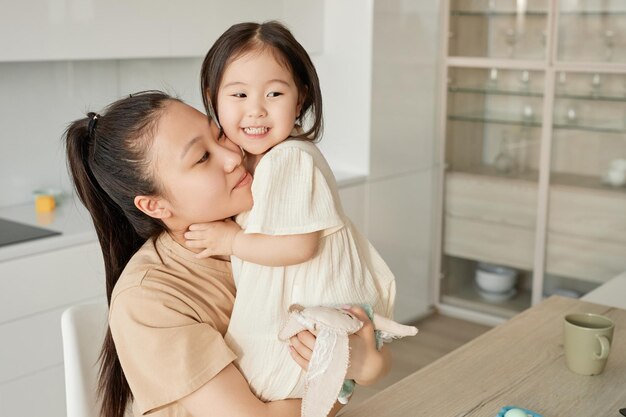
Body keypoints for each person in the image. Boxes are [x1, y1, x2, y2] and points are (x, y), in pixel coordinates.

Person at [64, 91, 387, 417]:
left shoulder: (271, 231)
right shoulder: (147, 300)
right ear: (155, 205)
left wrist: (366, 366)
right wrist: (337, 380)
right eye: (202, 157)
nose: (233, 157)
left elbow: (345, 321)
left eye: (220, 135)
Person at [185, 21, 400, 403]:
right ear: (212, 97)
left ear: (299, 99)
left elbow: (299, 247)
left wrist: (231, 240)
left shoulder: (289, 159)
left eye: (274, 93)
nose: (256, 110)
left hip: (313, 320)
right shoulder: (256, 165)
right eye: (239, 94)